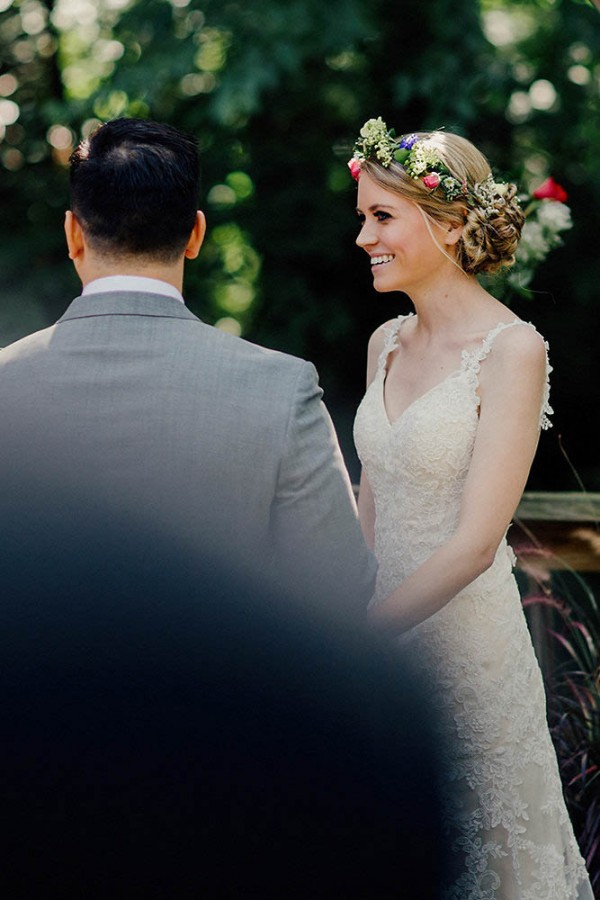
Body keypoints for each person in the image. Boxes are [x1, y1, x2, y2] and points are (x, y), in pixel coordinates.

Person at [349, 117, 593, 898]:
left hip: (465, 658)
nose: (363, 237)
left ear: (450, 228)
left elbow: (477, 542)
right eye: (362, 217)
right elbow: (369, 499)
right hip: (379, 653)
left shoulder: (513, 349)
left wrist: (363, 632)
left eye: (381, 217)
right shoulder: (384, 343)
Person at [0, 116, 376, 619]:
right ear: (196, 234)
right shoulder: (281, 387)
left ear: (73, 234)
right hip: (227, 689)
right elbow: (341, 584)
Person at [0, 478, 445, 898]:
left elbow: (471, 547)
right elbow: (351, 548)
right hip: (361, 626)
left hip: (446, 615)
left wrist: (361, 634)